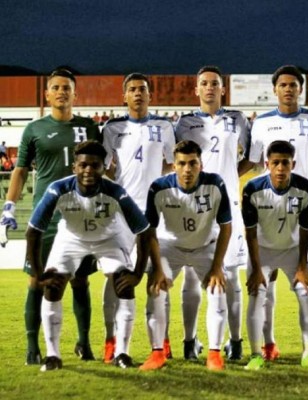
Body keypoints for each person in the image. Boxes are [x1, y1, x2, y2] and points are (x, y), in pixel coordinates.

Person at [25, 141, 160, 371]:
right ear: (74, 168)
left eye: (95, 166)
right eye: (83, 165)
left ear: (102, 167)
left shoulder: (116, 192)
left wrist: (137, 273)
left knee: (124, 284)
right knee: (53, 285)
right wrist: (38, 272)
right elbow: (33, 232)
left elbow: (144, 232)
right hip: (71, 239)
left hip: (108, 238)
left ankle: (122, 353)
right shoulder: (58, 189)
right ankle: (52, 356)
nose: (88, 170)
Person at [0, 68, 100, 365]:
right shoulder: (34, 129)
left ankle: (83, 343)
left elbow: (102, 168)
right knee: (37, 281)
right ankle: (33, 346)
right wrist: (8, 205)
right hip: (47, 218)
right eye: (55, 87)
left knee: (81, 281)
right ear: (47, 94)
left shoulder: (88, 127)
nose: (61, 92)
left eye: (66, 87)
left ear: (75, 93)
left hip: (82, 217)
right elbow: (19, 171)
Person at [241, 65, 308, 362]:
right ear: (275, 90)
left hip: (305, 206)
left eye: (293, 85)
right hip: (270, 206)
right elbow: (253, 162)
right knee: (264, 284)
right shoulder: (262, 123)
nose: (288, 89)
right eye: (283, 85)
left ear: (300, 89)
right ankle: (268, 344)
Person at [175, 65, 251, 361]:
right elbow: (177, 162)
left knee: (231, 274)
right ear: (197, 89)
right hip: (194, 207)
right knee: (192, 277)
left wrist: (229, 177)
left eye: (214, 83)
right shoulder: (184, 123)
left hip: (229, 207)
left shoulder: (238, 119)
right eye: (204, 83)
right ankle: (189, 341)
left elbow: (252, 158)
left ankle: (236, 341)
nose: (209, 87)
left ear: (223, 89)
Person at [102, 72, 175, 363]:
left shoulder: (165, 126)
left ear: (150, 96)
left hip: (156, 214)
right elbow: (105, 168)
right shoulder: (111, 128)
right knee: (115, 277)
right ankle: (113, 340)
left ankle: (161, 341)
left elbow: (172, 163)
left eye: (142, 89)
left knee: (160, 276)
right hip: (121, 216)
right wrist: (118, 187)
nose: (137, 94)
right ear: (124, 96)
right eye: (132, 90)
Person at [139, 140, 232, 371]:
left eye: (193, 163)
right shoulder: (159, 187)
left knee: (218, 289)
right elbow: (149, 230)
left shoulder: (215, 184)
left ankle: (214, 354)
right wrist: (158, 268)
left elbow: (226, 226)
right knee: (155, 289)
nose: (187, 169)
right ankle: (157, 352)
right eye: (182, 164)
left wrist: (218, 266)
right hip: (171, 247)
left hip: (205, 246)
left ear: (201, 164)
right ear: (174, 166)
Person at [242, 140, 308, 371]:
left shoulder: (306, 189)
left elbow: (305, 231)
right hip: (263, 251)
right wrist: (256, 269)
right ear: (267, 164)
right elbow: (250, 233)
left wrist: (302, 265)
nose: (280, 168)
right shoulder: (252, 189)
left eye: (285, 163)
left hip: (292, 249)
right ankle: (256, 354)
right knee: (257, 295)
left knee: (306, 293)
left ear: (293, 164)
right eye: (275, 163)